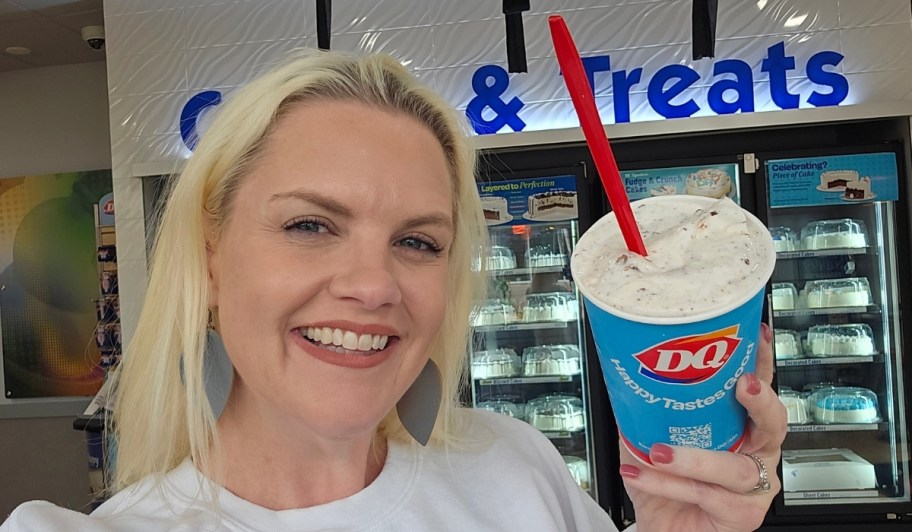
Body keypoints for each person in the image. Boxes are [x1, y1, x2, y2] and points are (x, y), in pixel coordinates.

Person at [1, 49, 785, 531]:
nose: (375, 286)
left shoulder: (517, 470)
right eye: (310, 225)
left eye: (417, 242)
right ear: (210, 260)